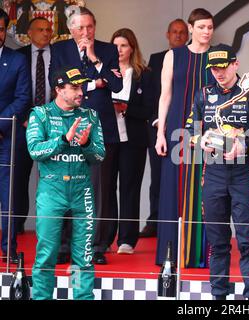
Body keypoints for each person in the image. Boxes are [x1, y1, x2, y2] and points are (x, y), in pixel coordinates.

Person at [185, 44, 249, 300]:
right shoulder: (202, 94)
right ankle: (218, 296)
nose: (218, 73)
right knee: (217, 240)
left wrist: (243, 148)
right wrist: (200, 141)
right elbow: (190, 130)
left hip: (244, 174)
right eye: (214, 68)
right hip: (212, 174)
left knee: (247, 240)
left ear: (235, 64)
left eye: (223, 67)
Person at [49, 7, 123, 265]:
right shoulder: (60, 50)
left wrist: (95, 60)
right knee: (65, 185)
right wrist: (94, 82)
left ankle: (96, 246)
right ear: (71, 29)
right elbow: (56, 84)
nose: (86, 32)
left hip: (100, 128)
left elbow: (117, 85)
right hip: (67, 127)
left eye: (89, 26)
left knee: (97, 189)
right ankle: (65, 245)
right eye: (80, 27)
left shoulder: (108, 50)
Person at [26, 66, 105, 300]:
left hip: (82, 190)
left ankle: (82, 296)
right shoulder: (40, 114)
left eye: (81, 86)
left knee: (83, 255)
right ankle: (42, 297)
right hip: (52, 190)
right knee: (47, 253)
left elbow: (100, 156)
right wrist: (63, 140)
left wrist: (86, 144)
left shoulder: (90, 115)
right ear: (59, 89)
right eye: (74, 87)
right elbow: (34, 151)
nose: (80, 92)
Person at [155, 8, 214, 267]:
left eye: (210, 27)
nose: (206, 32)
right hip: (177, 128)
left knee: (205, 190)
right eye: (201, 27)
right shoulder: (173, 55)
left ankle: (202, 254)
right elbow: (165, 95)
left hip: (208, 132)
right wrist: (160, 133)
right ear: (191, 29)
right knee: (173, 190)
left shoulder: (218, 56)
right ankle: (171, 253)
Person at [95, 28, 152, 254]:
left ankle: (127, 240)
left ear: (132, 48)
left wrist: (126, 108)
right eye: (115, 45)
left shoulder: (144, 74)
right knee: (106, 188)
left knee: (129, 188)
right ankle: (106, 237)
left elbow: (149, 108)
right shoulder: (103, 73)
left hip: (133, 139)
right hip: (107, 137)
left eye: (124, 45)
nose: (119, 50)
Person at [140, 18, 188, 238]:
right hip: (158, 126)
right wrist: (159, 120)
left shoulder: (192, 58)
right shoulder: (157, 59)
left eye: (182, 32)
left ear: (187, 36)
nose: (178, 36)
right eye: (174, 32)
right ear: (167, 35)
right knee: (158, 175)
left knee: (186, 176)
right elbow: (152, 94)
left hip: (185, 126)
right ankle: (155, 220)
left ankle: (183, 220)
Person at [15, 17, 53, 235]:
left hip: (52, 127)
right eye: (40, 29)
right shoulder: (18, 56)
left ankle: (49, 226)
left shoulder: (58, 55)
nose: (46, 33)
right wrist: (24, 117)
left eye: (49, 30)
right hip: (23, 126)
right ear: (29, 33)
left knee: (52, 178)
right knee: (19, 177)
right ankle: (18, 224)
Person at [0, 8, 30, 264]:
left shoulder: (17, 60)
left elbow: (22, 99)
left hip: (5, 138)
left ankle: (8, 248)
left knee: (8, 196)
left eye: (0, 29)